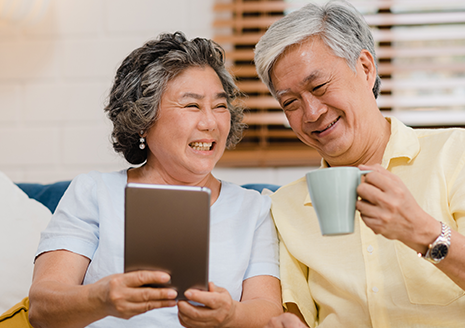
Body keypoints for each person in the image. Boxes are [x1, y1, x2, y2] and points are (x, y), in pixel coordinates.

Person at [254, 0, 465, 328]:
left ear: (365, 69)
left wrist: (422, 231)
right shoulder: (285, 207)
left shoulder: (458, 153)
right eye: (290, 103)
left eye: (319, 87)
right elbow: (297, 319)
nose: (311, 113)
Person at [28, 32, 282, 328]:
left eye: (220, 106)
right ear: (143, 120)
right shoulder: (94, 192)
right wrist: (101, 299)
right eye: (191, 106)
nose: (210, 122)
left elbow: (269, 310)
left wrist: (231, 315)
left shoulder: (253, 209)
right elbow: (42, 308)